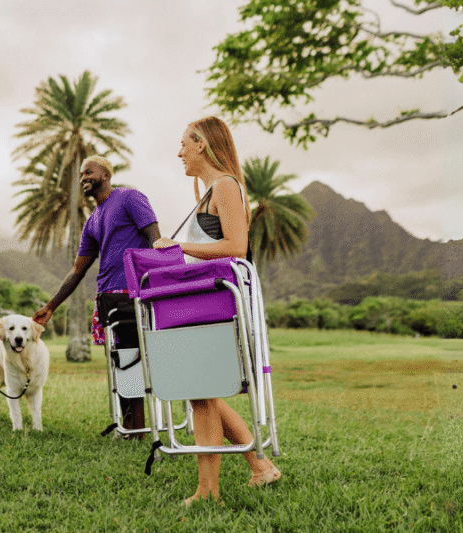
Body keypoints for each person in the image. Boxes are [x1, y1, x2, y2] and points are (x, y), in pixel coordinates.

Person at [153, 116, 282, 505]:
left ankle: (208, 492)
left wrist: (178, 248)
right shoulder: (209, 191)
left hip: (214, 308)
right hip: (200, 306)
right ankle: (261, 468)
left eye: (183, 144)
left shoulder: (225, 186)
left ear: (202, 145)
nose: (179, 153)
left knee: (201, 392)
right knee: (202, 392)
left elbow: (236, 247)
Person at [31, 155, 159, 433]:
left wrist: (153, 284)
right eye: (80, 175)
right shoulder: (93, 221)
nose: (83, 178)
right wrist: (51, 306)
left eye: (88, 172)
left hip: (131, 293)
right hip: (106, 298)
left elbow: (155, 238)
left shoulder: (129, 198)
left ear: (107, 173)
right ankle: (129, 425)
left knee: (130, 359)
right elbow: (77, 271)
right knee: (119, 363)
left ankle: (135, 428)